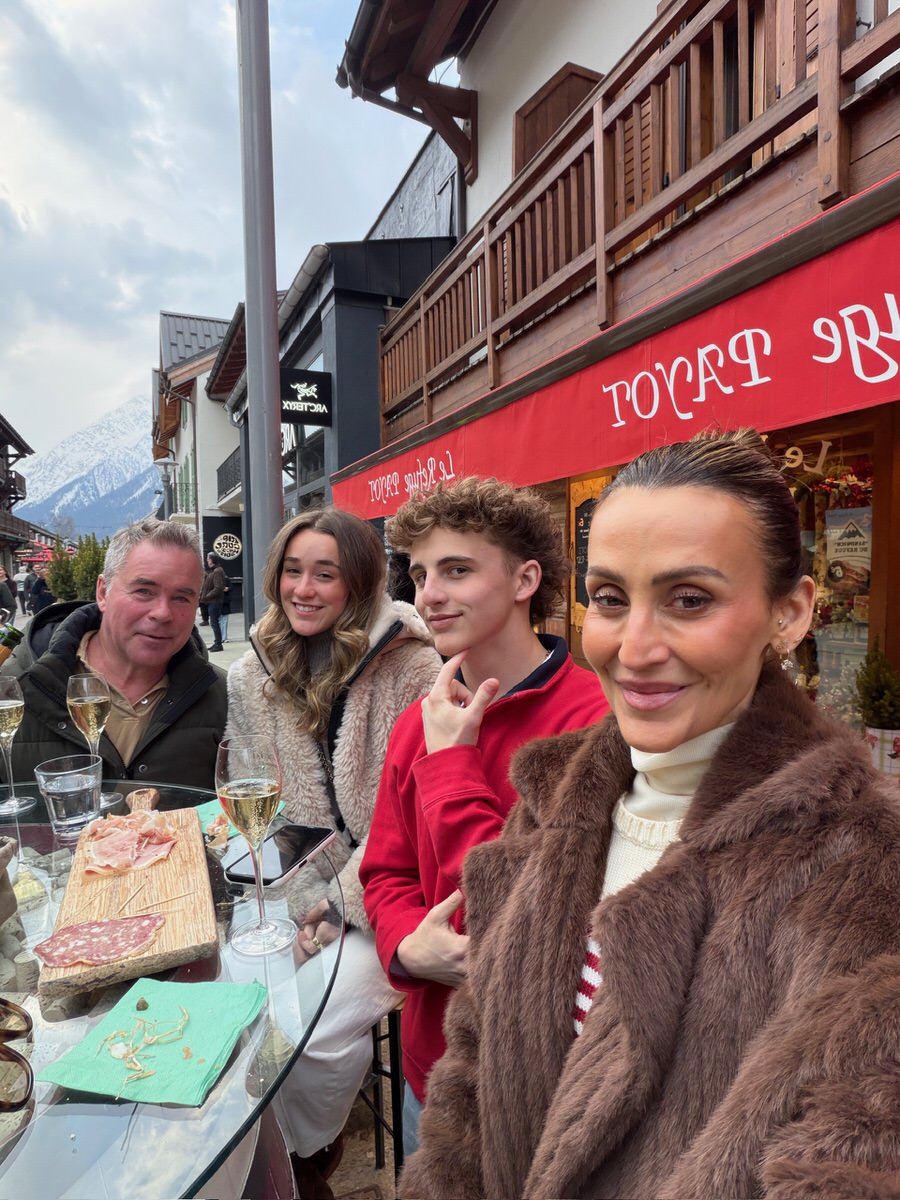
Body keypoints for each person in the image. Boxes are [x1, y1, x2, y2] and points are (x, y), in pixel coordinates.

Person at [401, 430, 900, 1200]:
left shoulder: (866, 866)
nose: (632, 648)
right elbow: (471, 1075)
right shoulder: (552, 803)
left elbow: (848, 1163)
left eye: (689, 600)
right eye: (608, 599)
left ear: (790, 614)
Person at [360, 477, 609, 1156]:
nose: (428, 595)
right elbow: (384, 874)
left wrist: (452, 764)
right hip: (432, 1066)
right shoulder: (422, 719)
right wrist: (406, 947)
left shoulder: (595, 723)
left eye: (457, 570)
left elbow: (530, 924)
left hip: (545, 1081)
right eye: (417, 574)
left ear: (526, 578)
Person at [224, 508, 442, 1197]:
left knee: (305, 1030)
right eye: (293, 570)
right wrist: (295, 904)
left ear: (360, 584)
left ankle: (305, 1158)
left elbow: (409, 818)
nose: (305, 588)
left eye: (327, 573)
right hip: (301, 879)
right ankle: (271, 1161)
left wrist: (336, 907)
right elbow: (264, 802)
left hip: (395, 891)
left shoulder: (414, 668)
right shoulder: (250, 675)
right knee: (240, 1001)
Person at [1, 519, 227, 790]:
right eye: (144, 591)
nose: (163, 613)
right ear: (103, 592)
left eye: (182, 597)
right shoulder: (16, 689)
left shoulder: (224, 698)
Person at [199, 552, 226, 651]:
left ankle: (218, 644)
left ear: (213, 560)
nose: (207, 560)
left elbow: (218, 587)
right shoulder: (214, 571)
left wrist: (206, 596)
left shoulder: (217, 571)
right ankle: (217, 643)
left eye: (208, 558)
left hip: (214, 602)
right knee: (214, 623)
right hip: (212, 601)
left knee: (215, 623)